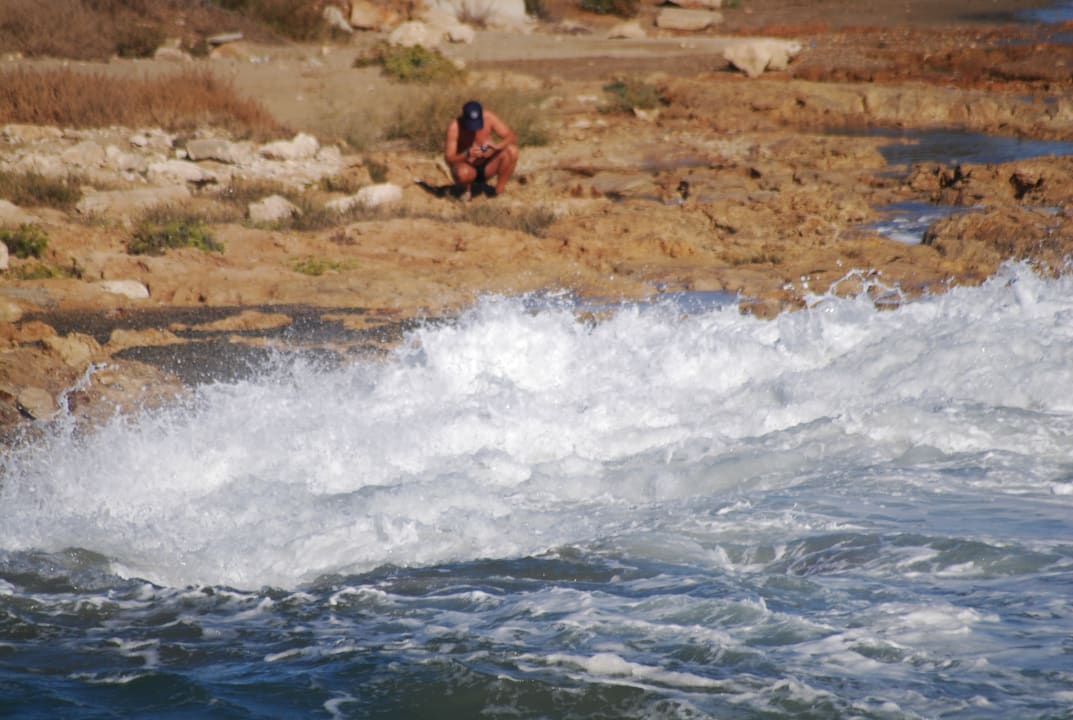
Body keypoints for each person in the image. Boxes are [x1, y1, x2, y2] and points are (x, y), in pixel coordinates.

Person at [444, 100, 519, 199]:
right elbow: (449, 158)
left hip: (488, 165)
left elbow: (511, 137)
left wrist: (496, 147)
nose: (474, 129)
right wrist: (466, 154)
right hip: (468, 168)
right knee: (462, 173)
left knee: (512, 151)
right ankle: (466, 191)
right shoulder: (454, 127)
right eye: (470, 125)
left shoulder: (489, 117)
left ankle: (499, 191)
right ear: (463, 118)